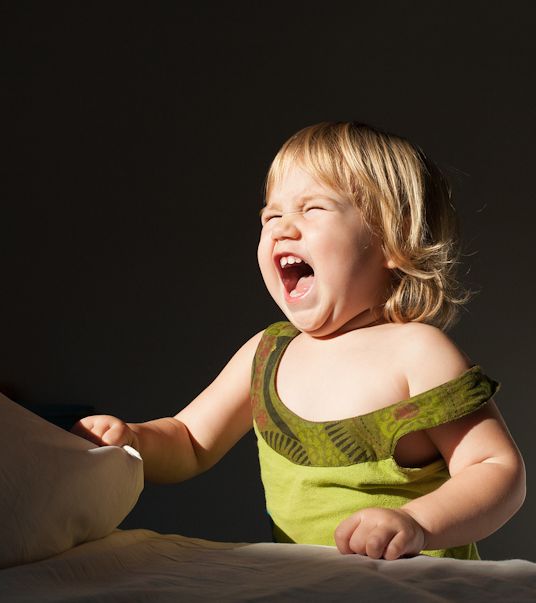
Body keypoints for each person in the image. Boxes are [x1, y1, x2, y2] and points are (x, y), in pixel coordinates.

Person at [71, 122, 525, 560]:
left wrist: (417, 522)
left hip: (418, 590)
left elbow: (495, 469)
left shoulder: (417, 353)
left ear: (391, 240)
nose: (282, 227)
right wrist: (134, 439)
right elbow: (189, 441)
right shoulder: (267, 356)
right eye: (271, 215)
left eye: (313, 209)